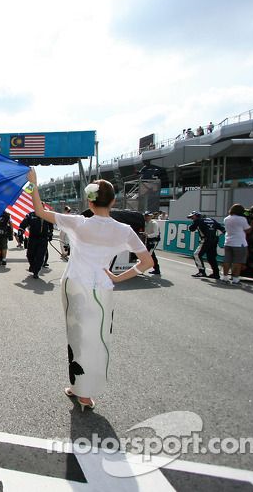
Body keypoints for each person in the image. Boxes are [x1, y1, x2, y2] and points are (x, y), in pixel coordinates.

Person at [27, 169, 152, 411]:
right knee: (100, 337)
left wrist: (33, 185)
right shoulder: (124, 230)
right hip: (104, 287)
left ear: (90, 201)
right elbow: (147, 263)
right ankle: (89, 392)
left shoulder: (78, 222)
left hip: (74, 284)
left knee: (77, 337)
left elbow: (40, 211)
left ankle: (78, 389)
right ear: (113, 201)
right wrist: (118, 277)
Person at [221, 204, 251, 285]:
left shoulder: (226, 218)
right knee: (237, 262)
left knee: (227, 260)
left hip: (228, 242)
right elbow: (248, 230)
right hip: (239, 243)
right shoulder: (242, 219)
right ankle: (235, 279)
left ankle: (225, 277)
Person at [188, 211, 224, 278]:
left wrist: (194, 223)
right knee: (211, 257)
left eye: (192, 217)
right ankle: (216, 274)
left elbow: (191, 228)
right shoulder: (212, 220)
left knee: (197, 255)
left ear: (196, 216)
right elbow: (222, 228)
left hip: (206, 240)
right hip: (214, 240)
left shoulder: (198, 220)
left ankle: (201, 271)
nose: (192, 219)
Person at [19, 207, 53, 278]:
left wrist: (50, 234)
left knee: (40, 256)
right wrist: (20, 233)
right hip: (33, 238)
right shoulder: (30, 215)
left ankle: (36, 271)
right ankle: (32, 265)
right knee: (30, 255)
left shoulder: (48, 215)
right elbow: (23, 225)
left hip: (43, 239)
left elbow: (51, 226)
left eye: (42, 206)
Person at [143, 211, 161, 275]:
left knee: (149, 255)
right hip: (148, 240)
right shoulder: (144, 223)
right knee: (151, 255)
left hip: (154, 240)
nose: (147, 217)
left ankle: (143, 269)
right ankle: (156, 269)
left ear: (151, 216)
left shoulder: (154, 223)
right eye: (146, 216)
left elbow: (156, 233)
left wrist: (148, 235)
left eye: (148, 216)